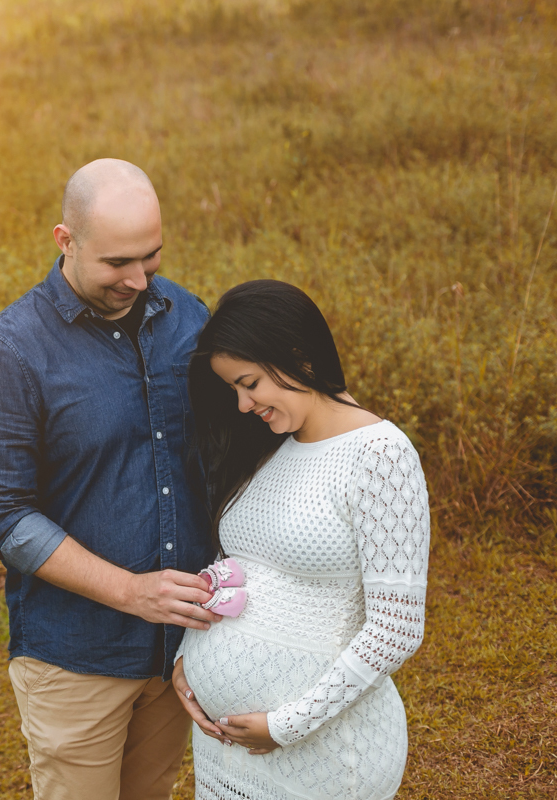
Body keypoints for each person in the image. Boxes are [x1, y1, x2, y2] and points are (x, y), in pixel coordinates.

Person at [0, 158, 220, 800]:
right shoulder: (10, 352)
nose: (137, 280)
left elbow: (222, 457)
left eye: (150, 259)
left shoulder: (190, 320)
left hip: (179, 648)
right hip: (76, 657)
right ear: (65, 241)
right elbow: (6, 520)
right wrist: (134, 593)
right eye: (116, 264)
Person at [172, 280, 430, 800]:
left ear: (295, 354)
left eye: (249, 384)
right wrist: (187, 656)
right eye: (233, 391)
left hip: (321, 750)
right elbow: (237, 565)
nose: (243, 405)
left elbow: (397, 627)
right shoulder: (271, 449)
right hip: (226, 750)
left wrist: (288, 724)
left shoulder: (379, 455)